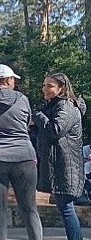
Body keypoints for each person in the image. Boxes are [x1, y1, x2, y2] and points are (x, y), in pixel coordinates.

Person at [0, 64, 42, 240]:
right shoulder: (22, 98)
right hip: (24, 156)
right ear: (9, 79)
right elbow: (27, 123)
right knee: (29, 207)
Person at [34, 73, 85, 240]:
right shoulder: (54, 106)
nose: (45, 89)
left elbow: (55, 130)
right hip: (58, 166)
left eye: (50, 86)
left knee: (66, 208)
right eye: (44, 85)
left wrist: (38, 116)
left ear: (61, 88)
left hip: (65, 166)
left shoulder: (67, 107)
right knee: (64, 207)